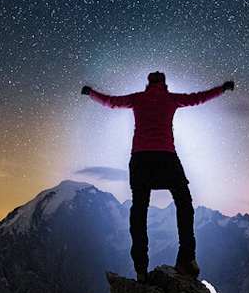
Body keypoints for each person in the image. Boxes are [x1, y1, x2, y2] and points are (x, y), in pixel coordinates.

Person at [81, 71, 233, 280]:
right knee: (184, 202)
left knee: (139, 209)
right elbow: (198, 98)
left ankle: (141, 267)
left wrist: (91, 93)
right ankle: (187, 259)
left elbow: (111, 102)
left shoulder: (138, 99)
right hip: (166, 158)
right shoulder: (170, 98)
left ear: (148, 83)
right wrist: (221, 89)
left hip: (141, 159)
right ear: (163, 84)